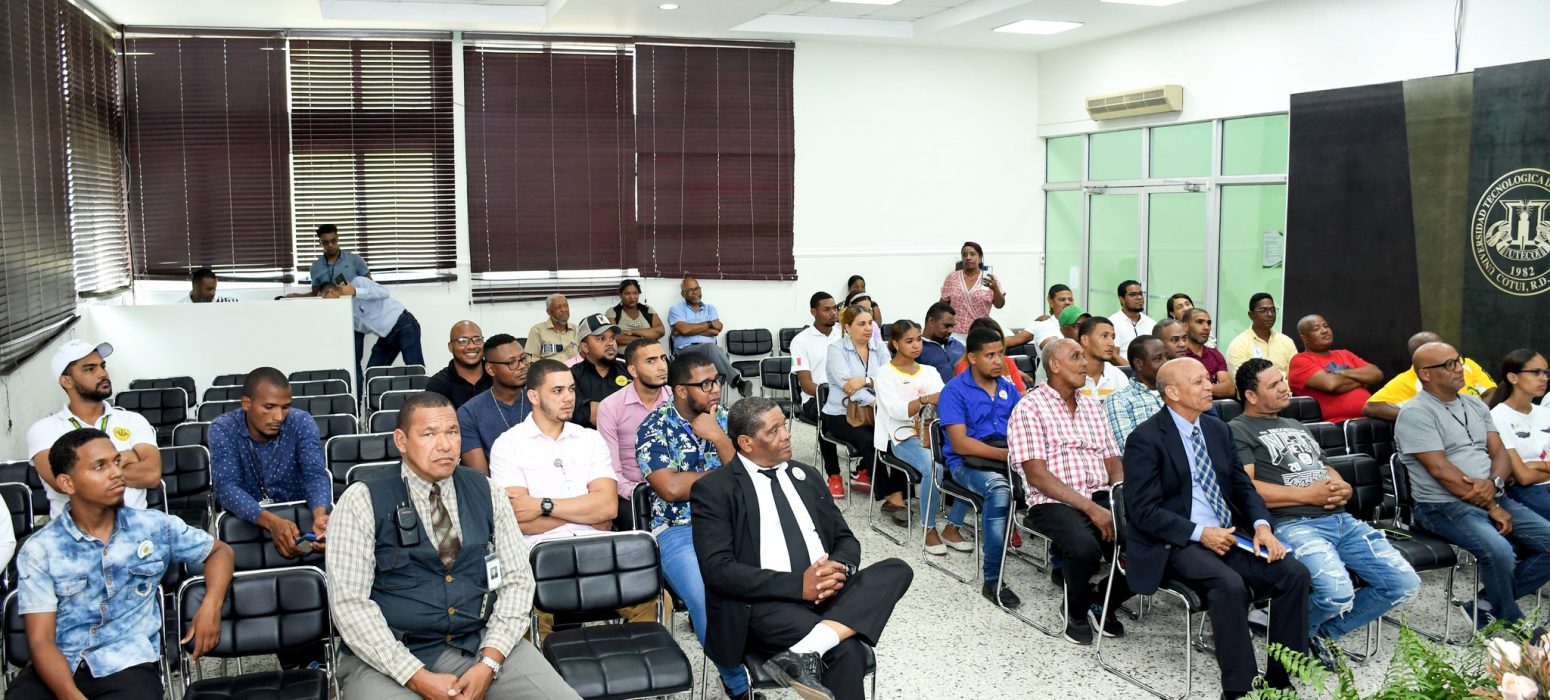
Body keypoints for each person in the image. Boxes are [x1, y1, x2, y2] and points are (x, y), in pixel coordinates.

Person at [326, 392, 579, 700]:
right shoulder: (362, 500)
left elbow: (517, 581)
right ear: (401, 441)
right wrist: (415, 676)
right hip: (389, 654)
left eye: (452, 432)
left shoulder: (487, 491)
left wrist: (489, 662)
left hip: (478, 641)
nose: (445, 445)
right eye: (429, 434)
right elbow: (350, 604)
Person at [691, 397, 913, 700]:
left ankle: (803, 651)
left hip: (827, 594)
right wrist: (800, 586)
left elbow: (845, 539)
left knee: (897, 569)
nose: (787, 435)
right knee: (846, 650)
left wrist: (836, 570)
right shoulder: (715, 489)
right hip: (765, 603)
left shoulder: (806, 476)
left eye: (784, 425)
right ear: (746, 442)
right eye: (773, 431)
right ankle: (810, 649)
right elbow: (718, 571)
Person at [1122, 357, 1309, 699]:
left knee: (1293, 574)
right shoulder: (1145, 438)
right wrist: (1199, 533)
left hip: (1227, 534)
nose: (1209, 386)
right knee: (1229, 585)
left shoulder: (1217, 429)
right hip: (1176, 541)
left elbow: (1242, 486)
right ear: (1173, 393)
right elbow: (1143, 511)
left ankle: (1281, 680)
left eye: (1207, 379)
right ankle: (1240, 689)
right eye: (1199, 382)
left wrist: (1262, 526)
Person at [9, 428, 234, 700]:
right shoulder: (40, 549)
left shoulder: (153, 527)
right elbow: (41, 641)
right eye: (99, 466)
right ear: (67, 483)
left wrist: (211, 605)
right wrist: (70, 695)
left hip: (126, 664)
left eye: (116, 461)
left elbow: (219, 552)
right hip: (57, 665)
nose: (116, 472)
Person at [1229, 358, 1419, 663]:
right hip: (1294, 524)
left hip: (1341, 519)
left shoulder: (1294, 424)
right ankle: (1292, 631)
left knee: (1404, 585)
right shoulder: (1238, 430)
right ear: (1251, 395)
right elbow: (1246, 489)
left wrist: (1343, 487)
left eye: (1282, 380)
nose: (1284, 387)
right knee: (1336, 593)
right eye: (1274, 384)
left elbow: (1324, 467)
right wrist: (1308, 495)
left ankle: (1314, 633)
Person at [1398, 342, 1550, 629]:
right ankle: (1512, 620)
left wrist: (1494, 483)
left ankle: (1486, 606)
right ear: (1425, 374)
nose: (1459, 369)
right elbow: (1440, 471)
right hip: (1443, 506)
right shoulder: (1416, 413)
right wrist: (1491, 505)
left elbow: (1499, 453)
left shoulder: (1474, 404)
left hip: (1493, 495)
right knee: (1500, 552)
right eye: (1449, 364)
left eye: (1459, 361)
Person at [634, 353, 749, 698]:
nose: (715, 389)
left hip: (735, 523)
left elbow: (752, 482)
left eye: (717, 380)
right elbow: (670, 488)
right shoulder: (654, 427)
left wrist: (719, 438)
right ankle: (737, 684)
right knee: (704, 595)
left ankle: (774, 658)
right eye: (705, 383)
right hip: (678, 528)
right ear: (681, 390)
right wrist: (728, 477)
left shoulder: (728, 421)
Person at [1010, 339, 1130, 645]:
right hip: (1052, 499)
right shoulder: (1029, 408)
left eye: (1083, 357)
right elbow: (1037, 476)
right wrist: (1091, 509)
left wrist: (1117, 499)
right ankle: (1075, 611)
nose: (1084, 363)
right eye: (1076, 357)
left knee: (1149, 540)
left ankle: (1102, 600)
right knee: (1083, 548)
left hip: (1099, 493)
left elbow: (1112, 458)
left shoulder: (1092, 406)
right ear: (1054, 365)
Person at [488, 359, 618, 544]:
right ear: (533, 397)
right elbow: (518, 518)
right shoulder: (508, 444)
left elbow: (608, 508)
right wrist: (588, 515)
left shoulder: (591, 439)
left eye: (571, 389)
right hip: (542, 550)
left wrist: (542, 506)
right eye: (558, 391)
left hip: (596, 544)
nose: (569, 397)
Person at [27, 340, 159, 518]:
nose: (103, 373)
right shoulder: (44, 430)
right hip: (74, 532)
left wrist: (89, 469)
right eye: (90, 369)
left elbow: (151, 475)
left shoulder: (132, 420)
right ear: (67, 381)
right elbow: (63, 483)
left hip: (136, 528)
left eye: (102, 366)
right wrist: (127, 457)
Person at [208, 368, 332, 557]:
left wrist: (320, 516)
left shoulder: (301, 423)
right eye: (269, 407)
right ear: (246, 403)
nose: (279, 417)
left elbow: (314, 475)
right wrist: (272, 522)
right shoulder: (223, 428)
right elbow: (226, 487)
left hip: (300, 526)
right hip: (247, 527)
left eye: (285, 407)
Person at [939, 327, 1020, 607]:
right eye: (990, 355)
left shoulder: (1008, 389)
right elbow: (961, 445)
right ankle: (993, 579)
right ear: (972, 358)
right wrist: (1007, 456)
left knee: (1057, 479)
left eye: (1001, 354)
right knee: (999, 490)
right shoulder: (954, 391)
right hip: (965, 464)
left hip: (1006, 458)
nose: (998, 361)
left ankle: (1060, 567)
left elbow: (1023, 429)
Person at [874, 319, 969, 555]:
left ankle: (953, 527)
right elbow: (896, 411)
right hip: (902, 437)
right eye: (909, 341)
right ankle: (929, 528)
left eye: (918, 339)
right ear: (895, 344)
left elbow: (946, 403)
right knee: (933, 466)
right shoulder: (884, 373)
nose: (916, 345)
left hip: (935, 434)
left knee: (969, 460)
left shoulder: (929, 371)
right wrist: (926, 399)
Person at [823, 305, 907, 510]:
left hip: (875, 412)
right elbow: (849, 388)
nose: (868, 328)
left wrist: (866, 381)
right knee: (870, 441)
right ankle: (887, 494)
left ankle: (899, 492)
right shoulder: (836, 350)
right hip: (841, 414)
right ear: (847, 327)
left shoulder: (879, 347)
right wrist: (876, 402)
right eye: (861, 324)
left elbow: (890, 380)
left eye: (870, 323)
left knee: (898, 436)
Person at [595, 338, 671, 530]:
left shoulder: (678, 399)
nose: (662, 366)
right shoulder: (610, 407)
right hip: (633, 491)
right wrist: (638, 493)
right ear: (633, 371)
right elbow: (611, 470)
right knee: (634, 520)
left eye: (663, 358)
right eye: (651, 361)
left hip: (676, 486)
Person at [1364, 331, 1498, 421]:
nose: (1458, 369)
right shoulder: (1406, 380)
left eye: (1442, 345)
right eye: (1435, 349)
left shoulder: (1465, 363)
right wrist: (1422, 418)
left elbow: (1492, 392)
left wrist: (1476, 415)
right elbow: (1371, 407)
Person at [317, 277, 424, 390]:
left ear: (331, 292)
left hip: (403, 324)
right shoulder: (346, 307)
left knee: (415, 369)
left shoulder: (358, 282)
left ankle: (426, 398)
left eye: (324, 299)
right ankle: (379, 400)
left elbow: (384, 292)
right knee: (372, 374)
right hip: (386, 335)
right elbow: (365, 328)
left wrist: (355, 291)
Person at [792, 291, 845, 496]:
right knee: (827, 414)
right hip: (815, 399)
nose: (833, 313)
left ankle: (864, 469)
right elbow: (806, 384)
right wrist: (832, 396)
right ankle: (834, 474)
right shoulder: (801, 341)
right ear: (813, 312)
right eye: (826, 309)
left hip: (847, 395)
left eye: (835, 308)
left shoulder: (844, 335)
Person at [1287, 315, 1384, 424]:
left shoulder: (1344, 354)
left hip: (1371, 419)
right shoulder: (1300, 360)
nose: (1324, 331)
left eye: (1326, 326)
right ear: (1305, 338)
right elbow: (1331, 385)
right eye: (1316, 329)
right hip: (1338, 425)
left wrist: (1343, 373)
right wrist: (1363, 379)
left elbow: (1376, 374)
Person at [457, 334, 531, 472]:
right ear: (490, 369)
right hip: (497, 485)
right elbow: (480, 477)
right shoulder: (469, 413)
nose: (522, 366)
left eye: (523, 358)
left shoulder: (541, 400)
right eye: (511, 363)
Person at [1491, 349, 1550, 520]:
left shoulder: (1545, 413)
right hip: (1528, 491)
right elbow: (1523, 477)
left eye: (1545, 372)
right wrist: (1532, 469)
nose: (1544, 378)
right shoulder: (1497, 417)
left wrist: (1535, 464)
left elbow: (1526, 472)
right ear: (1513, 377)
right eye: (1536, 372)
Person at [668, 276, 743, 393]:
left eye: (697, 288)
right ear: (683, 294)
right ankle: (737, 382)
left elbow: (716, 330)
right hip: (685, 351)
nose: (695, 292)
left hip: (709, 353)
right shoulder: (676, 309)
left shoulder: (710, 309)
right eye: (691, 290)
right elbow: (684, 329)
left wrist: (688, 329)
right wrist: (709, 324)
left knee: (712, 350)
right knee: (711, 348)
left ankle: (716, 391)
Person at [568, 314, 628, 429]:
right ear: (585, 347)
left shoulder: (629, 370)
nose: (610, 343)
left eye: (612, 338)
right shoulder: (571, 376)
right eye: (601, 338)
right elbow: (592, 416)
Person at [1106, 335, 1166, 449]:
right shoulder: (1119, 400)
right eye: (1158, 358)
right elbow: (1128, 448)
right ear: (1139, 363)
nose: (1166, 363)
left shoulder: (1177, 393)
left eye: (1166, 357)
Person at [939, 241, 1005, 342]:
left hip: (980, 332)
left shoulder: (990, 278)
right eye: (964, 255)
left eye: (972, 254)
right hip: (955, 333)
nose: (968, 258)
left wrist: (995, 288)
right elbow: (943, 305)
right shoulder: (952, 277)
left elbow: (999, 305)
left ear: (980, 257)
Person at [424, 321, 492, 410]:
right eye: (463, 341)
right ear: (450, 346)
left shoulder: (496, 375)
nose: (471, 346)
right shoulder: (438, 384)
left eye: (477, 340)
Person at [953, 317, 1031, 394]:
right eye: (990, 340)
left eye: (998, 339)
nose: (995, 343)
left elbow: (1022, 394)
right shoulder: (964, 367)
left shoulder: (1007, 361)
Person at [1225, 293, 1297, 376]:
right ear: (1251, 315)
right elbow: (1242, 380)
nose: (1270, 314)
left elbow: (1296, 377)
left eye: (1273, 310)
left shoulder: (1287, 342)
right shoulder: (1239, 344)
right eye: (1263, 310)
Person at [1007, 284, 1076, 353]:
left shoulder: (1079, 323)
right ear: (1051, 302)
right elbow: (1058, 353)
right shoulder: (1043, 324)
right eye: (1062, 300)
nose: (1067, 302)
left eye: (1070, 300)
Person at [1182, 309, 1234, 399]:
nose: (1206, 327)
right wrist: (1215, 388)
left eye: (1208, 323)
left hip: (1214, 405)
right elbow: (1184, 390)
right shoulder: (1179, 355)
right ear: (1185, 327)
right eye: (1200, 322)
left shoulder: (1215, 354)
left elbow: (1229, 389)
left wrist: (1199, 388)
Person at [1076, 316, 1129, 402]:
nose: (1111, 343)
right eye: (1104, 336)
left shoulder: (1118, 376)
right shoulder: (1069, 376)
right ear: (1085, 340)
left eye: (1113, 337)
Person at [307, 223, 370, 291]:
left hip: (353, 298)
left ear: (337, 238)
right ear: (320, 243)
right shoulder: (315, 266)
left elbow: (371, 288)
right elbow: (316, 293)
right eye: (325, 242)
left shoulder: (355, 259)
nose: (330, 245)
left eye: (333, 241)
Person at [606, 279, 665, 347]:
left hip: (650, 352)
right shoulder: (613, 312)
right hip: (624, 354)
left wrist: (633, 331)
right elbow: (615, 337)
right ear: (620, 295)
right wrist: (644, 339)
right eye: (627, 294)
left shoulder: (647, 310)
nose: (632, 297)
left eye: (635, 293)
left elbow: (660, 331)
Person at [918, 302, 965, 384]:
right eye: (946, 326)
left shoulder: (957, 345)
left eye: (952, 326)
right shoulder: (917, 349)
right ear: (931, 321)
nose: (951, 331)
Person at [524, 294, 578, 362]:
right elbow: (531, 361)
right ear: (548, 312)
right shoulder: (537, 331)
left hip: (574, 368)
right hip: (549, 368)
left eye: (566, 306)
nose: (563, 310)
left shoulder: (577, 330)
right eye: (558, 307)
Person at [1109, 280, 1156, 351]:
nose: (1139, 297)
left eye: (1140, 294)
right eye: (1133, 294)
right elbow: (1114, 355)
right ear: (1122, 299)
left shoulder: (1151, 323)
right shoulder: (1112, 323)